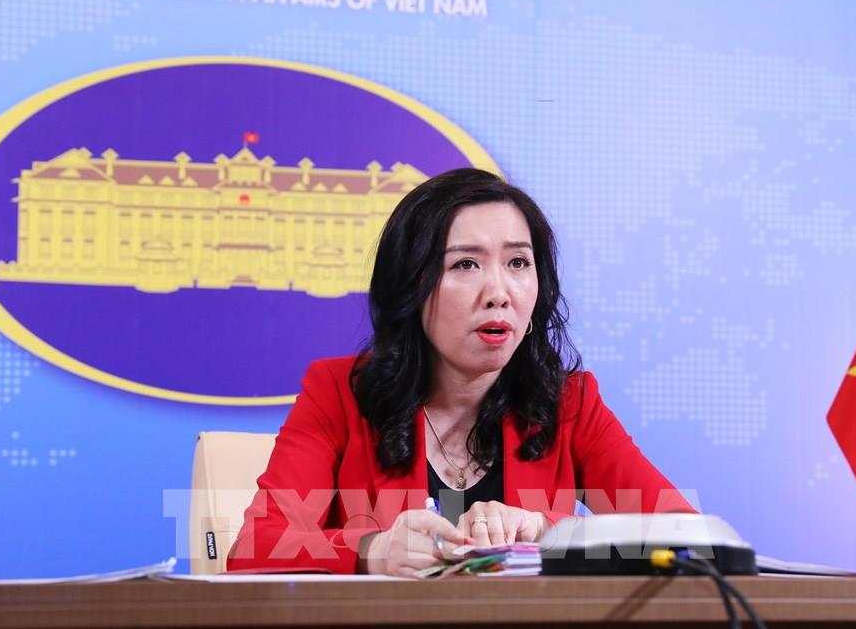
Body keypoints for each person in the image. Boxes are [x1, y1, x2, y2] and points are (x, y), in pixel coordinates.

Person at [227, 168, 692, 577]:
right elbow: (255, 546)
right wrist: (374, 550)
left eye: (518, 263)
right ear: (411, 285)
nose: (499, 293)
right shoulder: (340, 393)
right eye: (465, 264)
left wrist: (546, 532)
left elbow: (687, 537)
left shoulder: (569, 402)